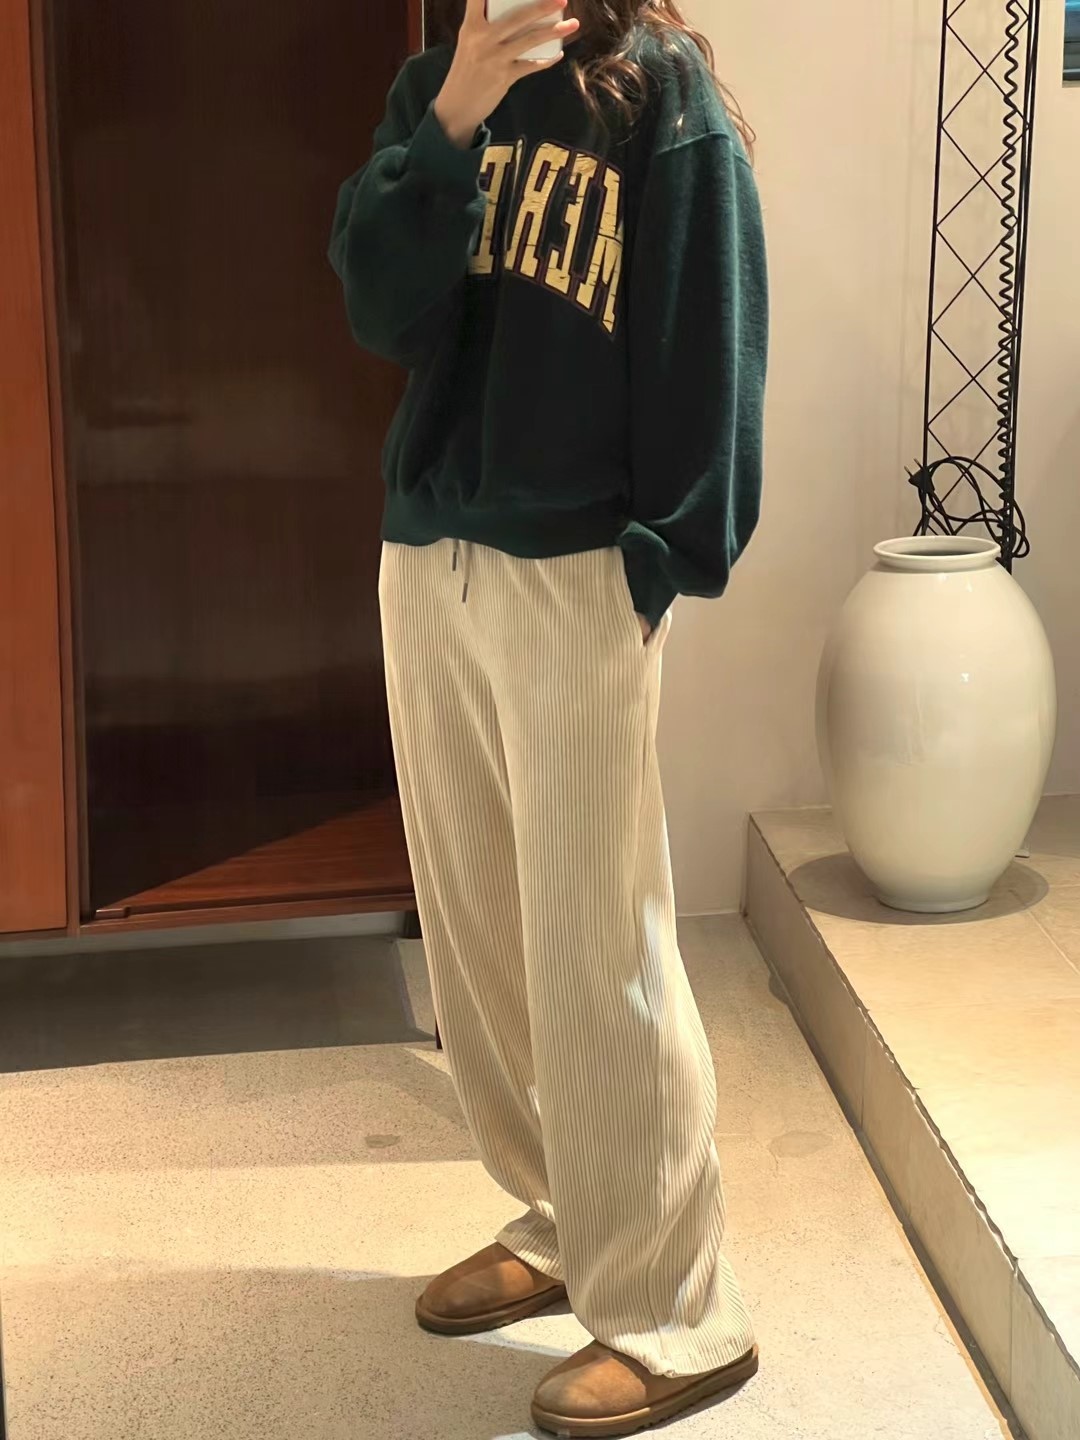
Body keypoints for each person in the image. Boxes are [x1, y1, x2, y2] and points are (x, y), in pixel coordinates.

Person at [329, 0, 767, 1432]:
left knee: (599, 942)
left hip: (577, 567)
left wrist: (664, 557)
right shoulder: (437, 88)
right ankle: (565, 1218)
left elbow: (710, 330)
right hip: (429, 554)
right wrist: (452, 112)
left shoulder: (659, 98)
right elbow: (381, 311)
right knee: (479, 930)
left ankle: (679, 1312)